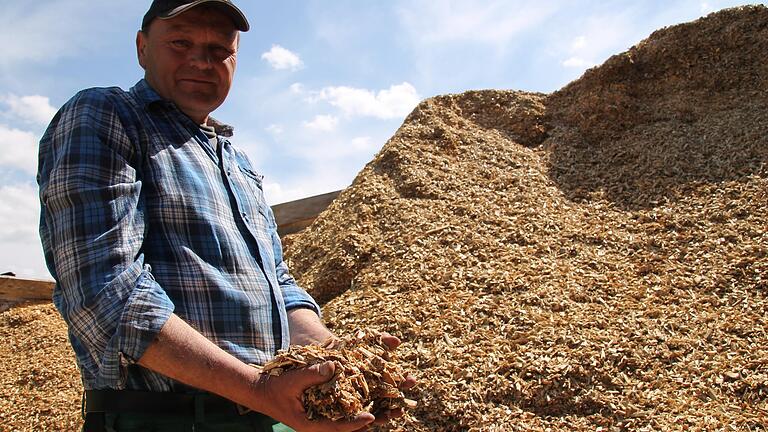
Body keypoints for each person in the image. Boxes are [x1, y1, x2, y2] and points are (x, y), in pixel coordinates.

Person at [37, 1, 413, 431]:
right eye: (181, 43)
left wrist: (333, 356)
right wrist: (255, 388)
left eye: (220, 50)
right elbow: (105, 290)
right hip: (165, 419)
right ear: (142, 48)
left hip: (262, 412)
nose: (201, 60)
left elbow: (278, 283)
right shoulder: (107, 116)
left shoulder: (236, 161)